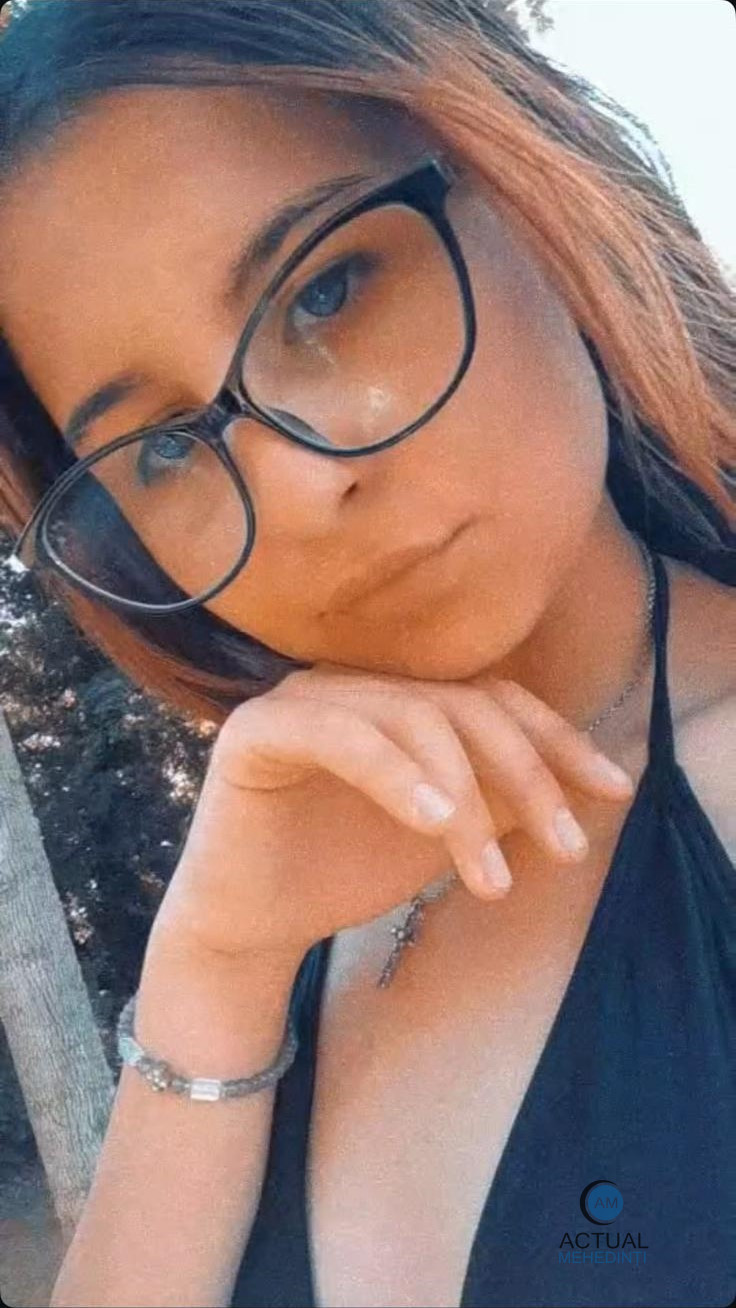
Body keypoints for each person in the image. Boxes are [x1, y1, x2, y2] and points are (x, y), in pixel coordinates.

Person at [0, 2, 733, 1306]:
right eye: (161, 448)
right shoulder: (270, 893)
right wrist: (212, 978)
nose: (293, 488)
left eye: (325, 290)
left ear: (528, 185)